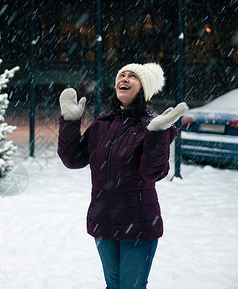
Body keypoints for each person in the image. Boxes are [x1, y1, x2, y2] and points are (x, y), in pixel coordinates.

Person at [57, 63, 188, 289]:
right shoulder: (103, 122)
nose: (124, 79)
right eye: (122, 75)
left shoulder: (151, 125)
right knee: (113, 286)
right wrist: (70, 122)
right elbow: (73, 159)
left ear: (144, 89)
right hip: (103, 221)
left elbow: (153, 172)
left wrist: (157, 134)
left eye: (133, 76)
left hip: (137, 225)